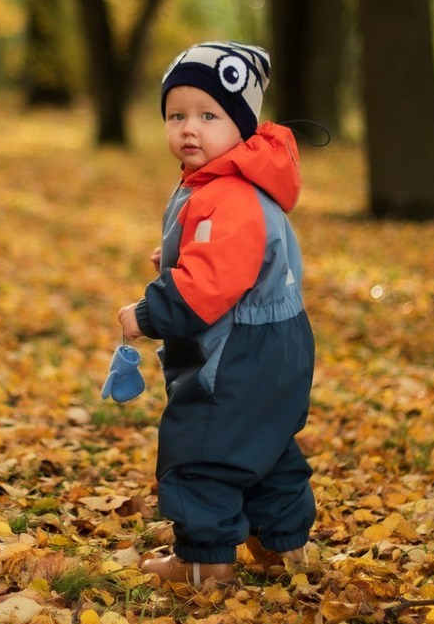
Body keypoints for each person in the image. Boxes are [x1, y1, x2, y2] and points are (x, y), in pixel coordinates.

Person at [118, 41, 315, 586]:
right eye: (177, 115)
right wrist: (178, 252)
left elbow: (210, 286)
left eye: (209, 115)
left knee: (202, 444)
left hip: (240, 350)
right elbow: (231, 253)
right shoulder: (228, 181)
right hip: (279, 342)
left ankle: (204, 560)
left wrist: (148, 314)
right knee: (265, 440)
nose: (189, 129)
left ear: (243, 125)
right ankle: (282, 546)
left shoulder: (228, 192)